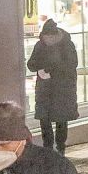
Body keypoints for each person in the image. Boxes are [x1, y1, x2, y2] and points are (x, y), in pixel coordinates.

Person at [26, 19, 78, 154]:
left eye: (49, 37)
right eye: (45, 37)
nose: (47, 39)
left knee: (61, 119)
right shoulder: (40, 45)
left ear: (55, 36)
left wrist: (51, 69)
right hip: (44, 89)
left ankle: (61, 149)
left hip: (62, 89)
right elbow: (31, 64)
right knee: (45, 119)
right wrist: (39, 67)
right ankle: (48, 149)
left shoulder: (67, 45)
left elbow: (71, 64)